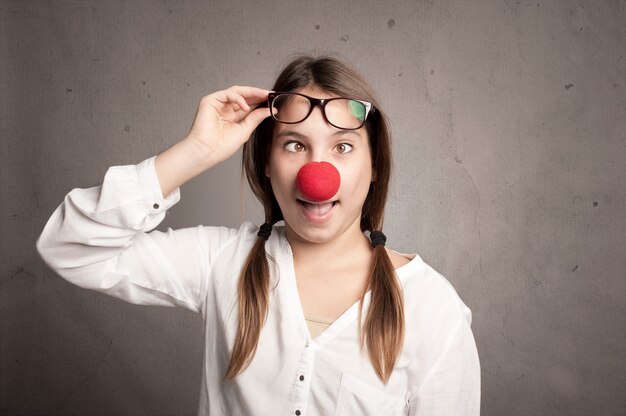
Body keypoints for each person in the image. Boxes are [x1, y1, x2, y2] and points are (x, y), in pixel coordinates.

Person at [37, 55, 480, 415]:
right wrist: (196, 153)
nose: (315, 174)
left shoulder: (432, 307)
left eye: (342, 146)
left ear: (374, 165)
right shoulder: (221, 261)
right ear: (266, 165)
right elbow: (71, 247)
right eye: (294, 145)